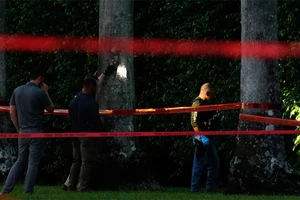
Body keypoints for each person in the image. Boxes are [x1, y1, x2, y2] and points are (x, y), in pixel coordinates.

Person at [0, 68, 54, 195]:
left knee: (20, 161)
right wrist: (46, 91)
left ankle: (6, 190)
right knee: (33, 163)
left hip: (23, 131)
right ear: (40, 78)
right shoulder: (40, 92)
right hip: (36, 131)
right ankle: (28, 191)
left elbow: (12, 112)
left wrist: (19, 129)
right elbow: (51, 109)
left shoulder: (17, 91)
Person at [64, 64, 117, 192]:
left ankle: (70, 184)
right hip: (86, 135)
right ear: (89, 87)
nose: (95, 89)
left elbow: (96, 82)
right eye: (94, 87)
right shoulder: (91, 103)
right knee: (86, 162)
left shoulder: (75, 100)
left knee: (76, 160)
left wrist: (104, 73)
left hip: (74, 134)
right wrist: (103, 135)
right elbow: (96, 122)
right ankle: (83, 186)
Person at [190, 83, 220, 193]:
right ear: (207, 92)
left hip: (208, 135)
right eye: (212, 94)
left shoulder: (207, 103)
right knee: (199, 162)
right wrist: (201, 136)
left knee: (213, 162)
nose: (212, 97)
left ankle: (210, 188)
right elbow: (194, 122)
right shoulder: (197, 103)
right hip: (201, 136)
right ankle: (195, 188)